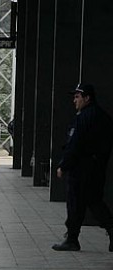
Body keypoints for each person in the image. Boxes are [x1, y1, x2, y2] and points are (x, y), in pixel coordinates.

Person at [53, 83, 113, 251]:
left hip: (81, 169)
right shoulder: (103, 117)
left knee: (75, 203)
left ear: (87, 98)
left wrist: (63, 165)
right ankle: (111, 230)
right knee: (94, 202)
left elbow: (75, 143)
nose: (74, 100)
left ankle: (72, 239)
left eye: (77, 97)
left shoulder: (83, 117)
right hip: (96, 168)